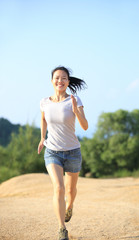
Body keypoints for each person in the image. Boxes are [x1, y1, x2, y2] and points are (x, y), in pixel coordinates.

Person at [38, 66, 88, 240]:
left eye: (64, 78)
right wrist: (42, 138)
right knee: (58, 188)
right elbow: (43, 119)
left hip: (73, 152)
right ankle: (62, 229)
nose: (60, 81)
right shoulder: (44, 101)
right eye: (57, 78)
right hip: (52, 151)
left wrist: (75, 110)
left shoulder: (74, 99)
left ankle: (70, 205)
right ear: (52, 81)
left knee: (70, 190)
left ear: (68, 82)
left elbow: (85, 126)